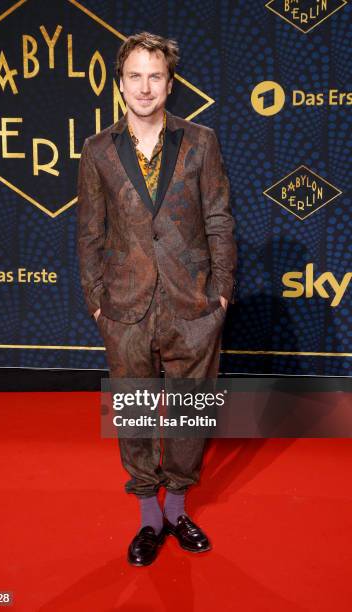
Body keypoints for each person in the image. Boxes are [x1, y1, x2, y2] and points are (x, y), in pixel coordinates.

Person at [77, 31, 237, 566]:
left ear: (170, 83)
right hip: (124, 305)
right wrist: (96, 299)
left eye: (155, 76)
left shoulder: (202, 141)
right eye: (134, 76)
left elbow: (218, 217)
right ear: (120, 83)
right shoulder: (98, 148)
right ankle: (149, 514)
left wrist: (222, 293)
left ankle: (177, 507)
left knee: (192, 413)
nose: (145, 87)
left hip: (193, 304)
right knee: (136, 413)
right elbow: (89, 231)